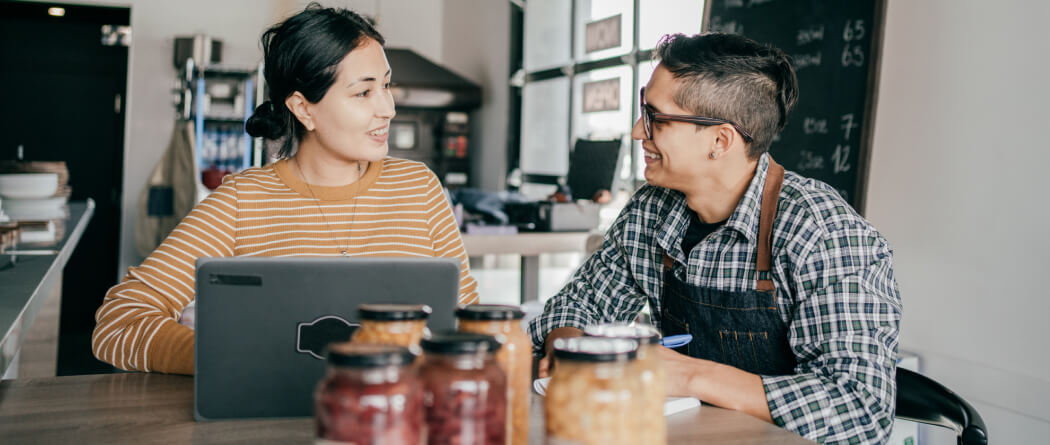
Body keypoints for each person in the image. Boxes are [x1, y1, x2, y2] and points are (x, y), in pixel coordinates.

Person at [529, 32, 901, 444]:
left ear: (719, 141)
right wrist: (568, 349)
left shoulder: (823, 233)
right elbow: (580, 304)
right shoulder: (651, 210)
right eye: (642, 111)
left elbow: (860, 408)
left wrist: (688, 375)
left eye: (656, 117)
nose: (638, 132)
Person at [92, 4, 478, 375]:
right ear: (303, 108)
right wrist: (224, 358)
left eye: (387, 85)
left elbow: (469, 319)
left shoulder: (419, 188)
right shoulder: (243, 200)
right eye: (364, 92)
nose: (389, 108)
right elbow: (119, 322)